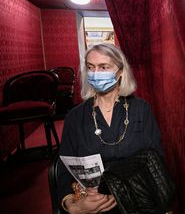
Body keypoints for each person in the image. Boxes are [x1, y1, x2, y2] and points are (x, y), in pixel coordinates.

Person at [57, 43, 163, 214]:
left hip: (137, 198)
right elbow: (63, 170)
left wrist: (120, 190)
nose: (95, 74)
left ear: (120, 72)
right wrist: (72, 205)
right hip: (91, 204)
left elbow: (156, 160)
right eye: (90, 68)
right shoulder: (74, 117)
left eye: (103, 67)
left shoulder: (141, 109)